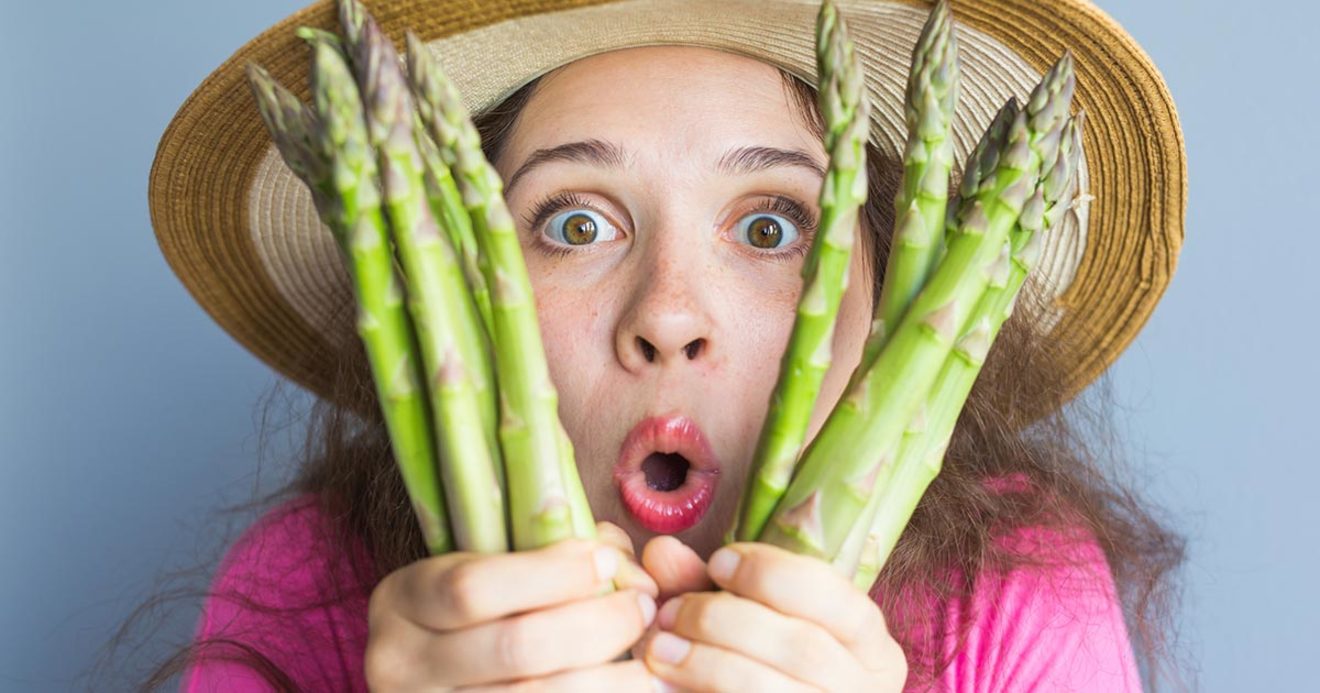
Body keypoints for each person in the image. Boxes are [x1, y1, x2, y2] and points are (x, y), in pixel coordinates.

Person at [144, 0, 1187, 690]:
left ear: (897, 307)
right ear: (450, 297)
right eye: (575, 223)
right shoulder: (307, 585)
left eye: (774, 227)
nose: (670, 313)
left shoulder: (1014, 597)